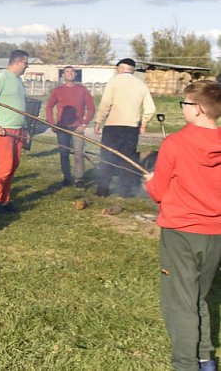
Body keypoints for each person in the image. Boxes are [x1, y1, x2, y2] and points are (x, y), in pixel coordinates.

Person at [144, 80, 221, 371]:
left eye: (185, 104)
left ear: (199, 109)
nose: (183, 109)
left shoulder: (175, 142)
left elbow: (159, 192)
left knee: (180, 303)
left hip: (182, 234)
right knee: (198, 297)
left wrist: (151, 183)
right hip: (216, 234)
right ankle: (205, 359)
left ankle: (185, 365)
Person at [93, 58, 155, 197]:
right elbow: (150, 108)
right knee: (128, 160)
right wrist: (143, 123)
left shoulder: (114, 81)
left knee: (107, 157)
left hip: (113, 127)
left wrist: (98, 122)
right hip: (131, 128)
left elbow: (106, 103)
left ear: (120, 68)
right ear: (132, 70)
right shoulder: (141, 85)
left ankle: (102, 190)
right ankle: (125, 191)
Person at [0, 50, 29, 214]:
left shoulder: (18, 81)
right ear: (18, 62)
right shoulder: (1, 76)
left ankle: (5, 199)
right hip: (4, 130)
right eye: (26, 63)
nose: (27, 67)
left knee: (14, 165)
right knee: (6, 166)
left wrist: (27, 128)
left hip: (18, 130)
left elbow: (22, 107)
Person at [45, 66, 95, 188]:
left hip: (77, 128)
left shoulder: (82, 90)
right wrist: (52, 123)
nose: (70, 73)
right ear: (63, 75)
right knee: (64, 153)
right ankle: (67, 178)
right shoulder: (58, 91)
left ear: (75, 74)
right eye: (67, 71)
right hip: (62, 128)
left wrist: (84, 124)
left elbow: (91, 108)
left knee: (78, 153)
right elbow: (49, 107)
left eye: (72, 71)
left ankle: (79, 179)